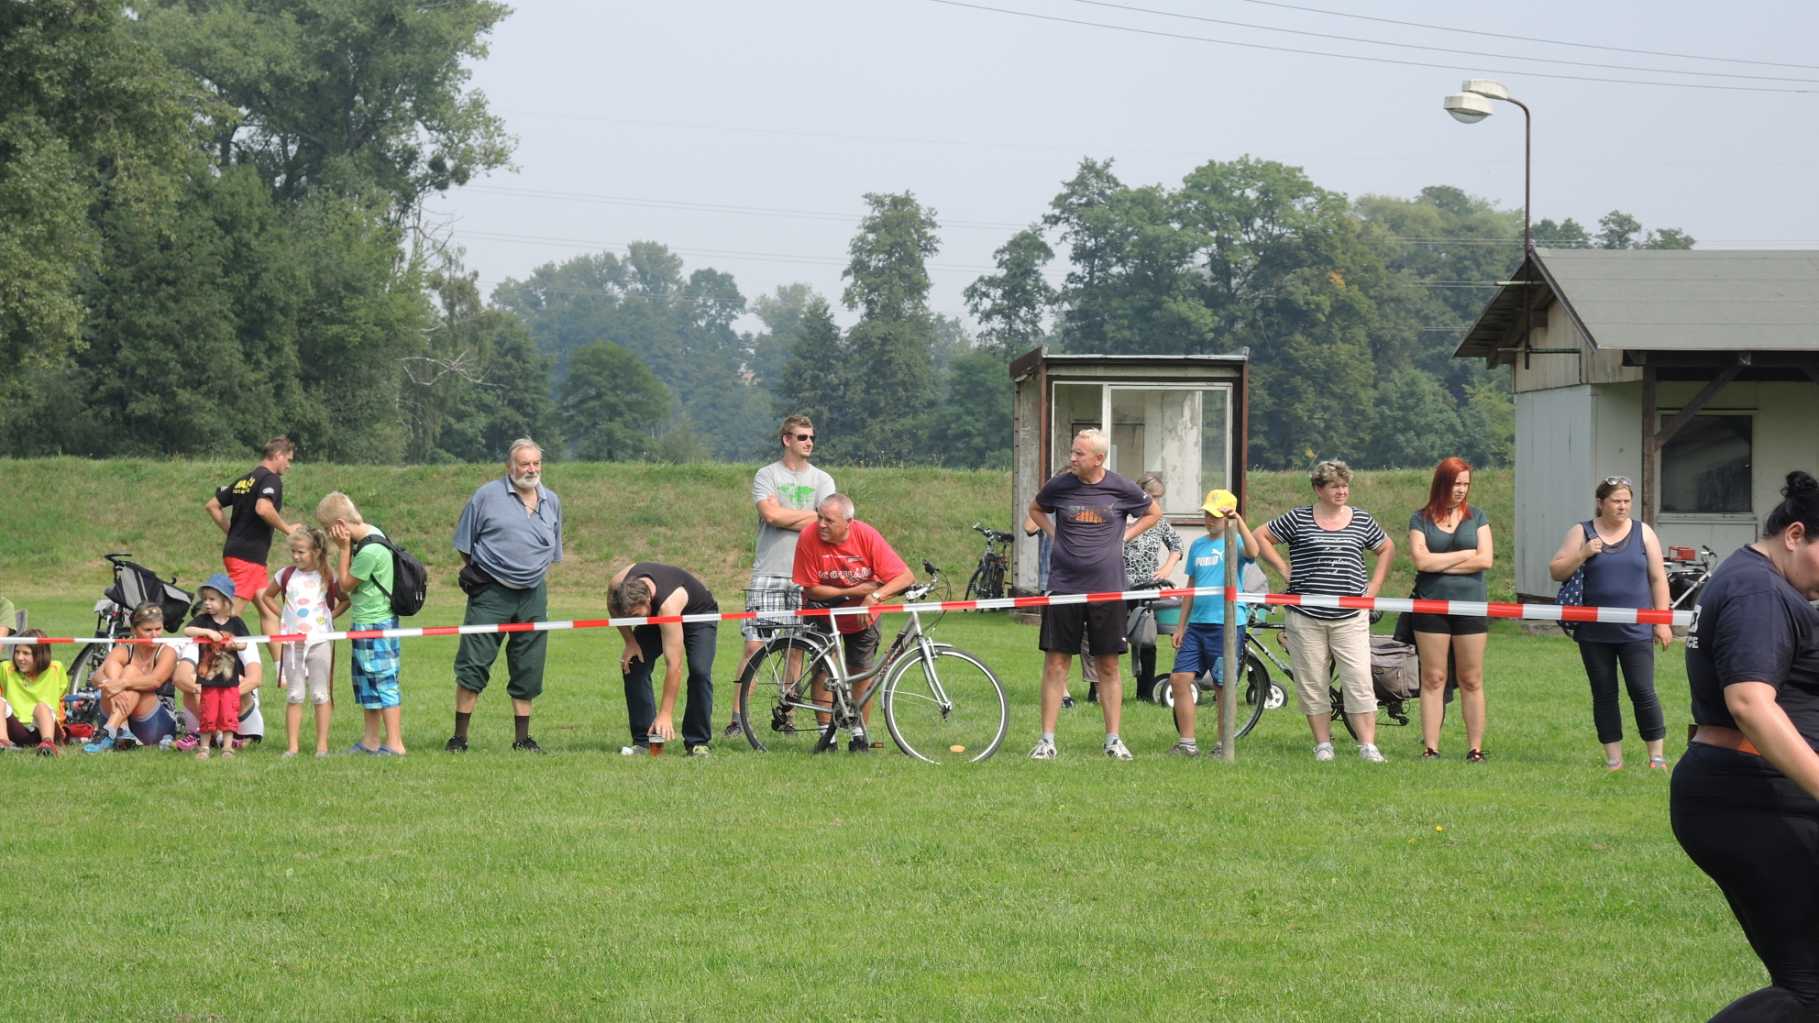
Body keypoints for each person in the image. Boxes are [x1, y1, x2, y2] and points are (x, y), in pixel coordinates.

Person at [1670, 470, 1819, 1020]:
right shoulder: (1760, 590)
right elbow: (1751, 705)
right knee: (1810, 990)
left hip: (1748, 794)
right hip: (1752, 798)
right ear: (1796, 534)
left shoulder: (1753, 580)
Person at [1026, 428, 1161, 761]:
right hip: (1065, 586)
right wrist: (1054, 534)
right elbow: (1035, 510)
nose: (1072, 458)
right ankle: (1046, 740)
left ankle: (1113, 740)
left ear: (1099, 458)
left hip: (1108, 587)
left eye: (1079, 454)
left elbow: (1153, 512)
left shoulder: (1120, 487)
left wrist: (1125, 536)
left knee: (1109, 666)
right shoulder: (1060, 485)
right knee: (1056, 663)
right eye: (1072, 452)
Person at [1255, 459, 1395, 763]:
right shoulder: (1299, 518)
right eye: (1335, 486)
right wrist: (1283, 569)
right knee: (1312, 680)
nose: (1342, 491)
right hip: (1305, 615)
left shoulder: (1361, 519)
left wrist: (1375, 586)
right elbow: (1260, 536)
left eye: (1345, 485)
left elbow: (1386, 547)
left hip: (1351, 616)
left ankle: (1368, 745)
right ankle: (1322, 744)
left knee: (1358, 678)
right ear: (1319, 489)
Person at [1548, 476, 1674, 771]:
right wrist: (1583, 553)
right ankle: (1613, 759)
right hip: (1594, 632)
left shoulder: (1644, 533)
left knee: (1642, 690)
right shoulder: (1582, 531)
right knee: (1604, 693)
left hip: (1637, 630)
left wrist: (1662, 620)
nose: (1622, 506)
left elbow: (1658, 578)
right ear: (1601, 503)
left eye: (1626, 501)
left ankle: (1656, 757)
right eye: (1616, 501)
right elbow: (1556, 570)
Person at [449, 439, 563, 754]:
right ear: (509, 466)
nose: (531, 470)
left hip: (533, 595)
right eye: (524, 463)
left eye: (536, 464)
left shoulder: (551, 501)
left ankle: (522, 739)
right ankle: (460, 738)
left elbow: (552, 550)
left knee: (529, 666)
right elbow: (464, 544)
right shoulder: (486, 496)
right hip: (491, 593)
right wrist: (485, 576)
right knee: (474, 664)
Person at [726, 415, 835, 739]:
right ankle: (736, 718)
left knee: (796, 649)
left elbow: (828, 524)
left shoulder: (824, 480)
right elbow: (770, 515)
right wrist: (811, 516)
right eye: (802, 437)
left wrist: (806, 518)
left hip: (806, 575)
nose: (809, 442)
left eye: (811, 437)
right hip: (769, 573)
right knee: (754, 647)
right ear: (786, 439)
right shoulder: (767, 475)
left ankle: (786, 713)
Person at [790, 494, 914, 752]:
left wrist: (875, 596)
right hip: (822, 612)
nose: (821, 524)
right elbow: (811, 589)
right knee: (824, 672)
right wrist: (856, 592)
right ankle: (827, 737)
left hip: (862, 618)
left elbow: (905, 576)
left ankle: (859, 735)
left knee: (862, 674)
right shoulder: (808, 537)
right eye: (819, 517)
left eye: (829, 520)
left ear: (849, 522)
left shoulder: (867, 536)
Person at [1167, 490, 1283, 757]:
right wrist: (1181, 625)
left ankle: (1223, 744)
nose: (1209, 519)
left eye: (1215, 515)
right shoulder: (1198, 545)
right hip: (1197, 625)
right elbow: (1192, 586)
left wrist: (1238, 521)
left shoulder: (1236, 542)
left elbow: (1254, 551)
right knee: (1179, 678)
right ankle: (1187, 742)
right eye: (1206, 514)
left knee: (1223, 685)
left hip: (1227, 625)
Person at [1408, 457, 1493, 763]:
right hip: (1430, 604)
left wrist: (1440, 564)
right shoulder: (1420, 519)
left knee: (1472, 678)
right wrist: (1463, 555)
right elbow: (1421, 562)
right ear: (1442, 483)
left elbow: (1485, 560)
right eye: (1456, 483)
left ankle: (1475, 748)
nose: (1461, 490)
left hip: (1471, 604)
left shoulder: (1478, 517)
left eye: (1466, 484)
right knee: (1433, 677)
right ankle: (1431, 747)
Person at [1081, 471, 1184, 701]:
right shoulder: (1119, 517)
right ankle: (1097, 689)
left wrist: (1168, 566)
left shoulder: (1159, 522)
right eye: (1152, 497)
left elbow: (1177, 545)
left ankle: (1145, 691)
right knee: (1109, 638)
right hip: (1117, 588)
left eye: (1159, 498)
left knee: (1146, 640)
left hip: (1147, 589)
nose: (1155, 503)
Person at [318, 492, 405, 756]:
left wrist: (344, 550)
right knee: (366, 682)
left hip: (376, 624)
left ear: (341, 525)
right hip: (364, 623)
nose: (329, 535)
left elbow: (344, 587)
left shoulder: (370, 550)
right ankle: (371, 740)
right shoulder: (370, 535)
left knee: (384, 681)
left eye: (328, 529)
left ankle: (395, 743)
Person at [255, 525, 347, 758]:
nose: (296, 556)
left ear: (316, 551)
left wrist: (330, 617)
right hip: (292, 644)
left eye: (301, 552)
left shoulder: (328, 575)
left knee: (320, 694)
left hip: (320, 642)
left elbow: (344, 601)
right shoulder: (286, 575)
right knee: (295, 694)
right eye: (293, 552)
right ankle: (292, 747)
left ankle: (322, 747)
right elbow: (267, 596)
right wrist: (282, 615)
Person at [609, 563, 719, 756]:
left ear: (647, 601)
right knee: (634, 665)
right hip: (657, 614)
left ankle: (697, 743)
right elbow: (613, 608)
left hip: (698, 615)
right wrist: (630, 642)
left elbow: (674, 665)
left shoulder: (667, 605)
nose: (630, 619)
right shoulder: (618, 584)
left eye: (634, 616)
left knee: (699, 672)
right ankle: (646, 743)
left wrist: (665, 714)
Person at [204, 437, 298, 627]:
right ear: (278, 455)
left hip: (245, 554)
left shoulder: (244, 480)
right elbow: (263, 507)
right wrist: (288, 529)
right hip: (247, 557)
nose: (289, 466)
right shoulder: (271, 479)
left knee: (268, 611)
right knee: (230, 615)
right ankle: (211, 653)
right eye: (288, 460)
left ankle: (279, 658)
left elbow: (212, 505)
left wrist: (232, 533)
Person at [170, 574, 264, 753]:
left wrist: (235, 644)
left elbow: (255, 677)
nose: (206, 603)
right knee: (202, 695)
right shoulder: (202, 630)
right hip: (210, 684)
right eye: (204, 599)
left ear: (226, 601)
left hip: (231, 686)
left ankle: (225, 742)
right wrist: (207, 632)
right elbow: (187, 631)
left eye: (212, 599)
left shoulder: (236, 624)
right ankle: (207, 741)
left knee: (225, 703)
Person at [82, 602, 179, 752]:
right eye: (147, 630)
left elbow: (155, 681)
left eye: (158, 629)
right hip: (124, 712)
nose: (155, 635)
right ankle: (122, 730)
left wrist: (121, 684)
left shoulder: (168, 652)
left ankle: (110, 731)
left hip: (156, 721)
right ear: (134, 629)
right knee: (112, 669)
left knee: (130, 672)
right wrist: (114, 686)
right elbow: (96, 677)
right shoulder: (124, 649)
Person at [2, 630, 67, 755]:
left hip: (47, 729)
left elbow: (61, 697)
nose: (20, 658)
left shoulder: (56, 668)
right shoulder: (6, 668)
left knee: (41, 707)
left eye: (26, 653)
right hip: (18, 730)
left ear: (40, 654)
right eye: (17, 652)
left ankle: (48, 744)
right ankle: (3, 742)